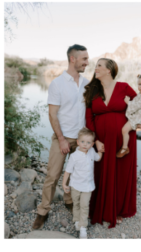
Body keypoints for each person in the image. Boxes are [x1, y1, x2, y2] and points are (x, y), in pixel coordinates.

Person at [32, 45, 90, 230]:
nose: (87, 62)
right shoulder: (57, 83)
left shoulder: (87, 83)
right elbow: (52, 115)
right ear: (73, 59)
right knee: (52, 176)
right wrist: (62, 139)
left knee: (76, 173)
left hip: (81, 140)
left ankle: (68, 200)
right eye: (84, 59)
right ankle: (43, 211)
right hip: (62, 138)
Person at [85, 58, 141, 229]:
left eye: (99, 65)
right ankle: (99, 208)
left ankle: (118, 209)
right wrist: (95, 140)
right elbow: (88, 117)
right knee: (100, 171)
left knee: (121, 172)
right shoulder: (92, 90)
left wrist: (138, 120)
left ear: (109, 70)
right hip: (101, 140)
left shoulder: (124, 87)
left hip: (124, 139)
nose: (96, 68)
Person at [62, 128, 103, 239]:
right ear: (78, 142)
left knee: (84, 206)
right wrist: (64, 184)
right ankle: (76, 220)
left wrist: (100, 151)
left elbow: (98, 158)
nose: (85, 145)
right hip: (75, 185)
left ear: (92, 144)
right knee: (76, 204)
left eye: (88, 142)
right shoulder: (74, 156)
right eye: (83, 142)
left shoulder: (91, 152)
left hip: (87, 186)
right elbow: (68, 171)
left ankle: (83, 227)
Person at [118, 74, 141, 158]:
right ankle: (125, 146)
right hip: (137, 116)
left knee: (124, 130)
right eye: (140, 84)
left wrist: (127, 101)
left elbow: (136, 106)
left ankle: (124, 148)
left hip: (138, 118)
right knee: (125, 130)